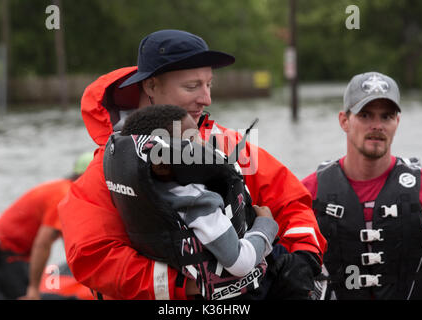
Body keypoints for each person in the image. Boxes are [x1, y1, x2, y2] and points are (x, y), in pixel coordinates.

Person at [58, 29, 326, 300]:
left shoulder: (229, 145)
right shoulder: (107, 167)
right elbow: (93, 256)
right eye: (192, 86)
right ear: (151, 86)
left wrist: (304, 258)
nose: (206, 99)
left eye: (209, 84)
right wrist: (189, 286)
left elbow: (292, 203)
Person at [105, 104, 279, 300]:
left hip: (179, 281)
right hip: (226, 294)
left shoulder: (144, 190)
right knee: (286, 261)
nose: (203, 145)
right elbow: (240, 262)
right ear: (162, 164)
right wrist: (266, 226)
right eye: (191, 141)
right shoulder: (198, 202)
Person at [302, 71, 422, 300]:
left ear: (397, 122)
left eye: (387, 116)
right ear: (344, 120)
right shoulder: (309, 193)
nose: (377, 126)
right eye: (365, 115)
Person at [0, 152, 94, 300]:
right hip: (5, 253)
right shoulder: (64, 194)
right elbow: (43, 243)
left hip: (15, 254)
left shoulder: (63, 189)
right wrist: (34, 289)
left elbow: (70, 241)